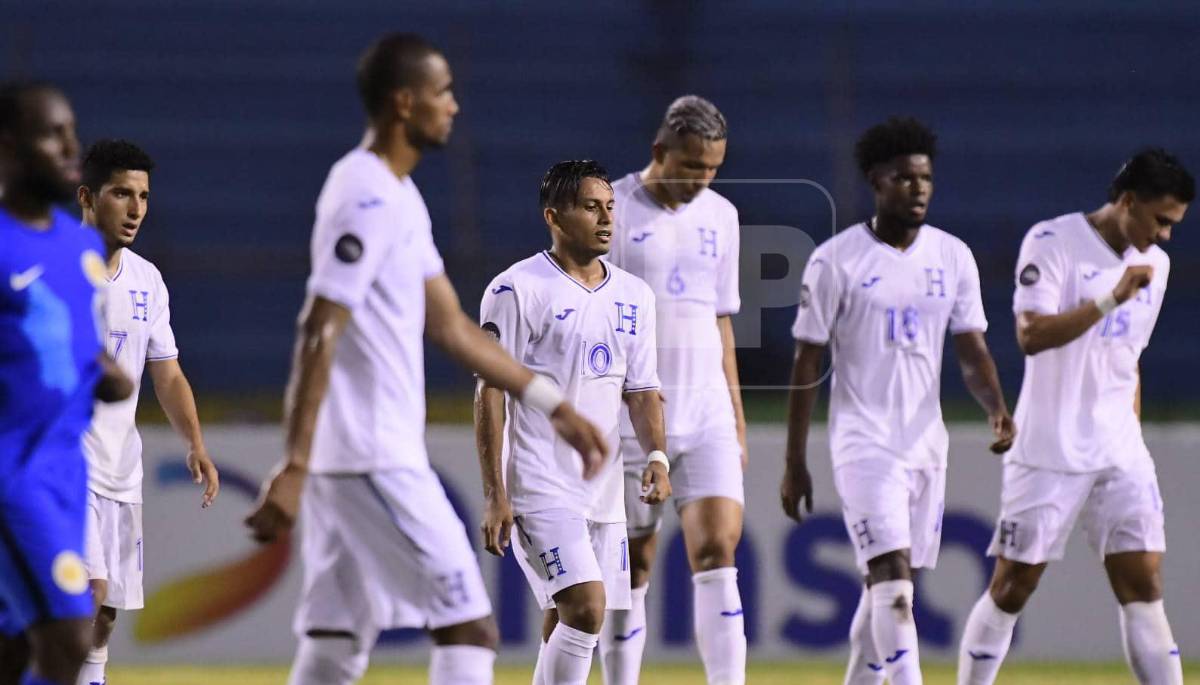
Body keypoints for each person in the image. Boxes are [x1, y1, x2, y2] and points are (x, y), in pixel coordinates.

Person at [242, 34, 607, 685]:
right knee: (468, 625)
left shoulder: (399, 197)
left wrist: (554, 406)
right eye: (442, 93)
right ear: (404, 102)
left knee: (335, 637)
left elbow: (452, 327)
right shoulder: (366, 193)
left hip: (350, 454)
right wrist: (293, 462)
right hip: (370, 452)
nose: (454, 107)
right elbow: (318, 326)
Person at [780, 117, 1015, 685]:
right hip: (863, 443)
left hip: (924, 444)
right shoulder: (835, 261)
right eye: (905, 179)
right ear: (876, 181)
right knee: (893, 579)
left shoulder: (952, 257)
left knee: (888, 585)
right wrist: (794, 461)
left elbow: (971, 349)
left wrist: (997, 407)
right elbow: (806, 362)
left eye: (926, 179)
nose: (919, 189)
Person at [957, 148, 1193, 685]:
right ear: (1128, 201)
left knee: (1144, 584)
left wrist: (1129, 437)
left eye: (1174, 225)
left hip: (1118, 450)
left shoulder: (1156, 265)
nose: (1165, 236)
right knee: (1013, 585)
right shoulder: (1052, 242)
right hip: (1049, 447)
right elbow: (1031, 336)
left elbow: (1127, 360)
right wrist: (1109, 299)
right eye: (1160, 220)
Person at [476, 160, 670, 685]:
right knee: (586, 608)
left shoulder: (635, 296)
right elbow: (490, 390)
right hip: (539, 485)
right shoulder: (517, 289)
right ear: (554, 216)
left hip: (603, 493)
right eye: (591, 207)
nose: (607, 218)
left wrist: (656, 455)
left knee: (566, 620)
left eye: (610, 207)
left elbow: (642, 390)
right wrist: (496, 493)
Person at [603, 95, 747, 685]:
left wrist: (735, 417)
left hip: (706, 411)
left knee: (717, 553)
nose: (703, 180)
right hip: (633, 420)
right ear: (659, 151)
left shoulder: (722, 215)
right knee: (631, 565)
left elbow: (721, 320)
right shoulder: (611, 209)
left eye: (713, 168)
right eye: (692, 166)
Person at [0, 81, 133, 685]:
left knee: (14, 652)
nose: (70, 146)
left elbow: (79, 348)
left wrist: (103, 373)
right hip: (13, 475)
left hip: (65, 475)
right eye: (52, 134)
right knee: (70, 632)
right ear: (8, 147)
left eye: (71, 132)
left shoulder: (78, 250)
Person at [74, 139, 220, 685]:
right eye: (121, 194)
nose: (136, 209)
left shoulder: (146, 280)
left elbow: (168, 372)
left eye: (143, 196)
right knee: (86, 596)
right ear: (86, 196)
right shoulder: (54, 269)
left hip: (121, 467)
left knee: (104, 614)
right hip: (63, 463)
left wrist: (195, 443)